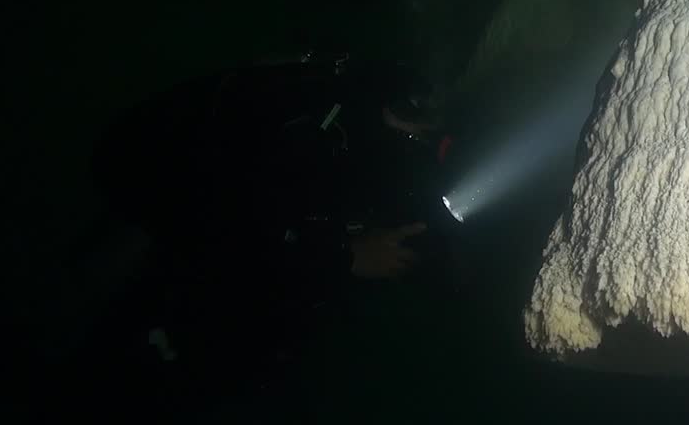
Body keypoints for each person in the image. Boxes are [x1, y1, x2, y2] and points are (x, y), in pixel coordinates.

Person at [90, 50, 462, 396]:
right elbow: (236, 232)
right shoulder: (307, 120)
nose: (419, 136)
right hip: (161, 178)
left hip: (201, 183)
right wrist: (344, 256)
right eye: (414, 119)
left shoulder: (346, 109)